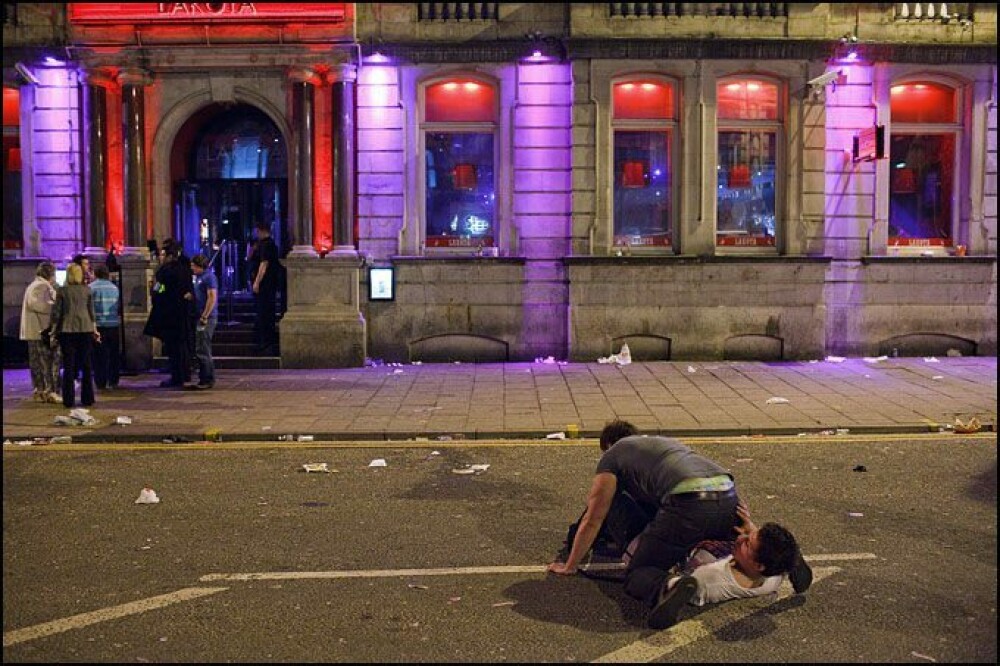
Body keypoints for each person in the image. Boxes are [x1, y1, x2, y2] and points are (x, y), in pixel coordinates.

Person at [548, 419, 806, 630]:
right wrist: (749, 526)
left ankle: (668, 586)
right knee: (746, 538)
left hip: (688, 501)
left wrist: (570, 565)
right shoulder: (664, 445)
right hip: (725, 488)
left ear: (608, 445)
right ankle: (787, 558)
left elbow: (594, 517)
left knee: (641, 571)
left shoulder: (612, 457)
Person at [634, 500, 812, 629]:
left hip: (698, 559)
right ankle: (792, 559)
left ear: (759, 565)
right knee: (739, 524)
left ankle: (671, 584)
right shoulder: (773, 577)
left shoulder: (708, 578)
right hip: (732, 558)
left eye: (747, 544)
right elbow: (754, 546)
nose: (742, 538)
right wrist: (750, 528)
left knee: (639, 572)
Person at [144, 238, 194, 388]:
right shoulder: (185, 270)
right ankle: (185, 373)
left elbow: (159, 289)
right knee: (182, 345)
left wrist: (156, 291)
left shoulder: (165, 271)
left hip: (169, 313)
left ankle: (176, 376)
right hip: (182, 312)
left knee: (173, 347)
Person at [50, 263, 100, 408]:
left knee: (69, 365)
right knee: (86, 364)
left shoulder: (62, 291)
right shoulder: (87, 290)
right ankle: (88, 398)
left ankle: (69, 399)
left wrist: (53, 330)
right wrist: (95, 329)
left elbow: (57, 313)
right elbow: (92, 312)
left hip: (67, 330)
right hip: (85, 329)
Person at [19, 261, 62, 403]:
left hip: (35, 331)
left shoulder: (36, 284)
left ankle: (40, 389)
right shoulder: (41, 285)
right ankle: (46, 390)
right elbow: (39, 304)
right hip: (39, 330)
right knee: (44, 363)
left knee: (36, 362)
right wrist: (55, 305)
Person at [247, 221, 279, 356]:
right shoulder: (260, 245)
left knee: (264, 311)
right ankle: (262, 341)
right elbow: (250, 258)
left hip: (265, 285)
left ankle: (265, 342)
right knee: (261, 311)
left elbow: (264, 264)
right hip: (263, 284)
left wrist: (257, 283)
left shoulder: (268, 245)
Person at [89, 265, 121, 390]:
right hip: (113, 324)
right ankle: (113, 380)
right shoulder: (114, 287)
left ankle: (100, 381)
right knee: (113, 353)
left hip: (98, 325)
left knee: (99, 355)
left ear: (95, 273)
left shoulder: (91, 288)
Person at [190, 254, 218, 389]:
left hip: (207, 317)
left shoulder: (208, 277)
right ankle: (204, 377)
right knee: (200, 346)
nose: (192, 268)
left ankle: (207, 378)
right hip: (200, 314)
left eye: (194, 265)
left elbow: (212, 297)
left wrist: (205, 315)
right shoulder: (198, 278)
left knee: (203, 347)